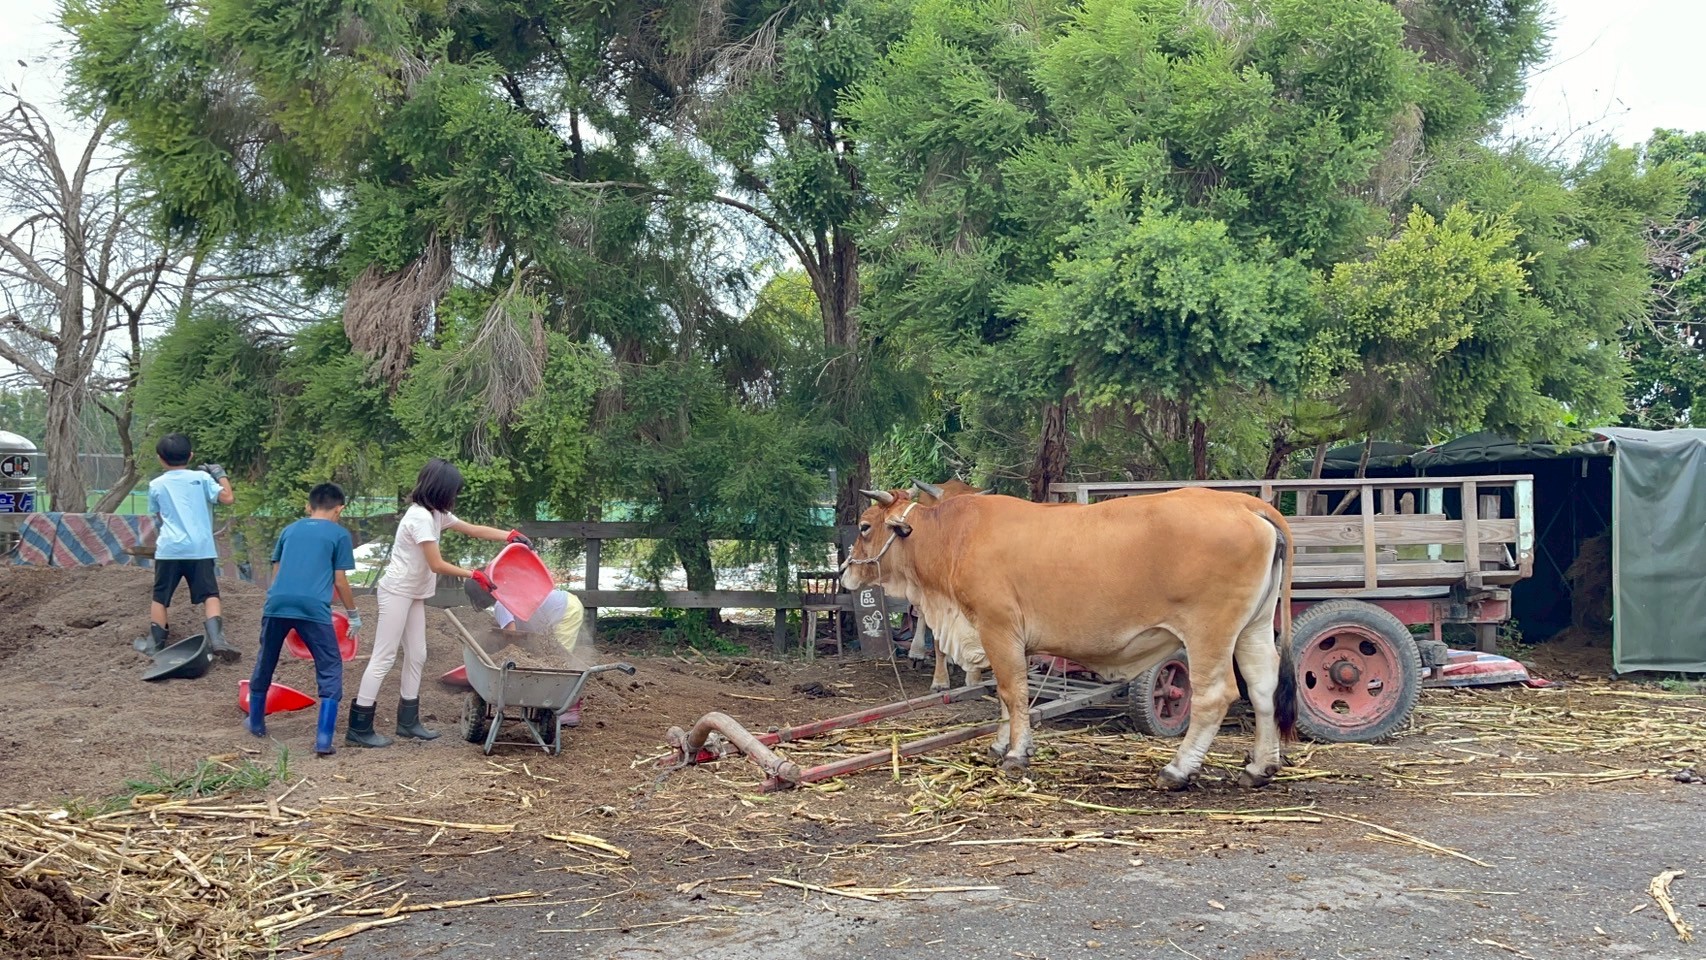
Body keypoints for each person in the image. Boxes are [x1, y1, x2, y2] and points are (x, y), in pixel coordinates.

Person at [347, 458, 529, 747]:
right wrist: (474, 574)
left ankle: (408, 722)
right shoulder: (419, 518)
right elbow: (435, 564)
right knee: (384, 657)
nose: (455, 497)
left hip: (415, 594)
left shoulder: (436, 514)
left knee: (417, 655)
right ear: (441, 489)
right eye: (454, 491)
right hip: (397, 592)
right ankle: (359, 726)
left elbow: (473, 529)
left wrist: (509, 536)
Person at [247, 483, 362, 755]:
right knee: (330, 666)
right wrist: (353, 614)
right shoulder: (339, 535)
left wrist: (278, 603)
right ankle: (323, 739)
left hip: (277, 603)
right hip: (313, 608)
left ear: (308, 506)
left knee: (266, 659)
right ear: (340, 509)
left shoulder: (289, 530)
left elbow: (277, 570)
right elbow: (340, 581)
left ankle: (256, 724)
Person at [142, 433, 237, 659]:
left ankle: (156, 644)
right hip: (200, 548)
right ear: (191, 455)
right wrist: (220, 475)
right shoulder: (202, 479)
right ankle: (217, 639)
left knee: (160, 597)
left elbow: (159, 514)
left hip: (169, 549)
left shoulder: (156, 484)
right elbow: (228, 498)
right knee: (210, 594)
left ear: (160, 458)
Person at [464, 579, 591, 727]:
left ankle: (569, 711)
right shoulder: (509, 595)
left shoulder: (500, 605)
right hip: (563, 603)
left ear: (479, 596)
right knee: (550, 656)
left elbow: (512, 637)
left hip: (566, 611)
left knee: (559, 659)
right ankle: (551, 702)